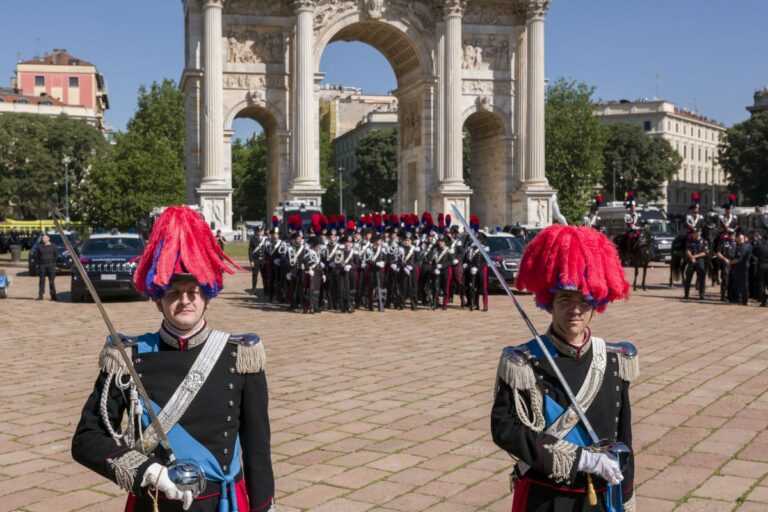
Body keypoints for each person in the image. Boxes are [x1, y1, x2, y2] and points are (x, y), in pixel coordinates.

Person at [71, 206, 275, 512]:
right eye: (173, 293)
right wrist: (148, 472)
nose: (184, 301)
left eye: (193, 291)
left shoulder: (240, 356)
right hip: (153, 501)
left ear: (208, 295)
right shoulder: (127, 357)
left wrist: (263, 508)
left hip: (222, 505)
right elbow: (86, 439)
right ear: (157, 299)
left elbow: (257, 449)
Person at [491, 224, 636, 512]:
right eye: (565, 300)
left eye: (584, 301)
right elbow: (505, 429)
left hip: (602, 495)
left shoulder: (614, 360)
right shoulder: (523, 361)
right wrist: (582, 459)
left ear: (596, 304)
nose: (575, 310)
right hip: (545, 497)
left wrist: (626, 493)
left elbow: (624, 436)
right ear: (549, 302)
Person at [683, 228, 708, 300]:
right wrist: (691, 257)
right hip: (691, 261)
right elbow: (687, 250)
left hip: (700, 261)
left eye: (697, 232)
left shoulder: (704, 241)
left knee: (702, 278)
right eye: (694, 233)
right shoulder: (689, 241)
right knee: (688, 278)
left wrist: (695, 256)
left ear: (699, 233)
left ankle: (701, 294)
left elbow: (704, 253)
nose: (696, 234)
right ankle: (686, 294)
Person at [34, 233, 60, 300]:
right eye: (42, 238)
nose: (43, 239)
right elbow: (36, 256)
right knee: (42, 281)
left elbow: (57, 256)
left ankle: (53, 295)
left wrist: (53, 262)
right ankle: (40, 295)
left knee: (51, 281)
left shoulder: (53, 246)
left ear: (48, 238)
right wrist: (38, 264)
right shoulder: (39, 247)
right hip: (42, 265)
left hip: (51, 265)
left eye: (45, 238)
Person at [730, 231, 752, 305]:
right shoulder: (745, 246)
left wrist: (729, 262)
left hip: (741, 267)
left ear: (739, 239)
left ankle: (743, 299)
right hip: (742, 267)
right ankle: (741, 299)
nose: (735, 239)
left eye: (737, 238)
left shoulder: (742, 247)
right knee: (741, 283)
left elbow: (738, 259)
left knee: (742, 284)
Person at [248, 226, 268, 296]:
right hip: (255, 260)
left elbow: (267, 250)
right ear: (255, 231)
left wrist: (267, 260)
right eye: (258, 231)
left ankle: (265, 289)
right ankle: (253, 290)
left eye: (260, 231)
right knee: (254, 275)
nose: (259, 232)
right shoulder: (252, 239)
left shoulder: (265, 239)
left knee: (264, 276)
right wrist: (251, 261)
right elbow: (250, 251)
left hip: (263, 260)